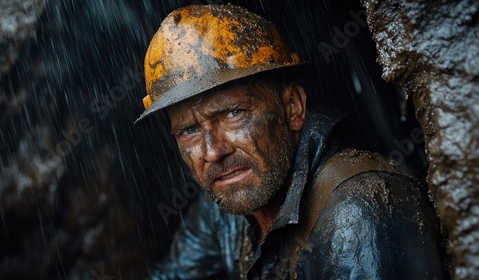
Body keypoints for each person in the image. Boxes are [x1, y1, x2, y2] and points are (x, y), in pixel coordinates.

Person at [134, 4, 448, 279]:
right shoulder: (226, 200)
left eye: (233, 113)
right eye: (188, 130)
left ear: (293, 107)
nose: (213, 151)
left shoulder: (359, 214)